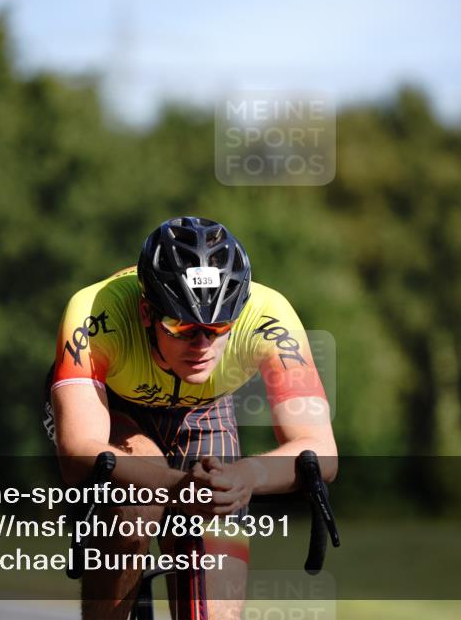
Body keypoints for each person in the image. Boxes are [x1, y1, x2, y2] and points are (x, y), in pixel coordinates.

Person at [45, 216, 337, 620]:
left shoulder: (271, 317)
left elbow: (322, 451)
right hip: (114, 410)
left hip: (204, 409)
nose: (201, 344)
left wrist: (247, 477)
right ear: (147, 312)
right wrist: (175, 485)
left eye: (218, 328)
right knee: (133, 508)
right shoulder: (95, 312)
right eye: (181, 326)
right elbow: (77, 453)